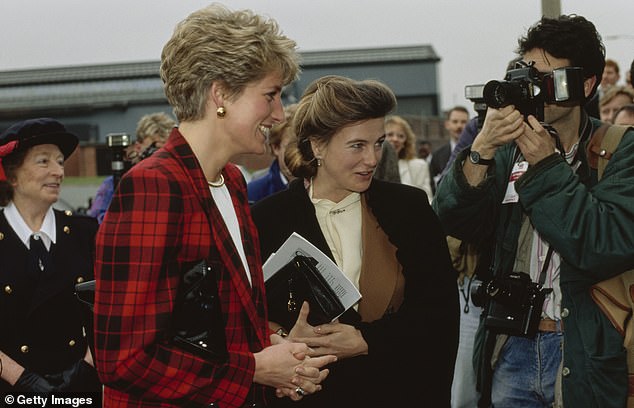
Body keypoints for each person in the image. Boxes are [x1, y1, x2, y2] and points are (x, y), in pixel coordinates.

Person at [93, 5, 335, 407]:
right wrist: (255, 369)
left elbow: (219, 326)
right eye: (270, 95)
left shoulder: (232, 182)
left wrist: (278, 352)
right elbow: (123, 360)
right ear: (220, 93)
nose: (278, 114)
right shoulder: (154, 186)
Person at [433, 14, 634, 408]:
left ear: (585, 84)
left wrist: (545, 167)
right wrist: (482, 150)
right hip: (512, 345)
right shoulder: (508, 150)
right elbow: (455, 220)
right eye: (526, 76)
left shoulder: (619, 149)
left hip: (586, 350)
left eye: (545, 79)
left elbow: (600, 244)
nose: (531, 89)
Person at [251, 75, 459, 408]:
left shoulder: (409, 209)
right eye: (357, 146)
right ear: (318, 146)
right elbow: (247, 320)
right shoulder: (266, 219)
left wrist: (366, 340)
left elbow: (440, 314)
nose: (373, 159)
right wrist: (285, 341)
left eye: (378, 143)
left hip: (397, 391)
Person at [0, 118, 101, 394]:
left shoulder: (85, 232)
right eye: (44, 162)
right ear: (12, 175)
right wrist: (20, 378)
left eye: (60, 161)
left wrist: (87, 367)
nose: (59, 171)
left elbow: (111, 308)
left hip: (79, 387)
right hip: (10, 391)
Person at [87, 111, 176, 223]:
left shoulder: (177, 183)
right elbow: (96, 222)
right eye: (156, 149)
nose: (161, 158)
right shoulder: (115, 184)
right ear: (138, 148)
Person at [247, 104, 298, 203]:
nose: (297, 154)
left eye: (303, 146)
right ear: (276, 148)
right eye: (291, 146)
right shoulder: (254, 192)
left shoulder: (325, 185)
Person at [384, 115, 433, 200]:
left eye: (401, 136)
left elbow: (427, 199)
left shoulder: (419, 166)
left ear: (405, 143)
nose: (395, 139)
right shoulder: (371, 166)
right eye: (390, 134)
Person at [430, 106, 469, 190]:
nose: (459, 126)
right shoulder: (437, 155)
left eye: (463, 122)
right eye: (455, 122)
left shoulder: (476, 151)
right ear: (447, 125)